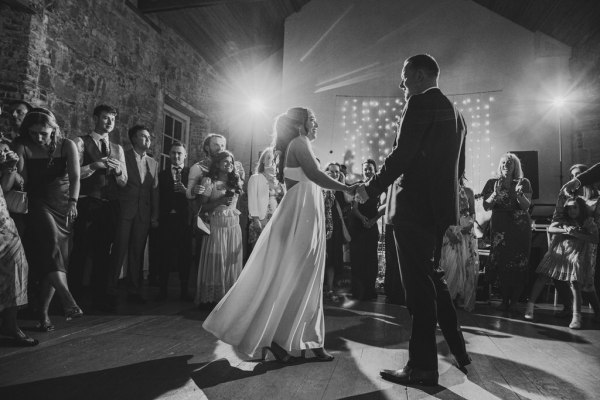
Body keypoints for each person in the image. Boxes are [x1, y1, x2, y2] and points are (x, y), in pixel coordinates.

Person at [203, 107, 354, 362]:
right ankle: (283, 339)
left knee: (307, 277)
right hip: (301, 214)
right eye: (312, 120)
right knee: (299, 276)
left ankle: (305, 340)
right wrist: (348, 187)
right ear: (299, 125)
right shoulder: (299, 142)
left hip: (306, 212)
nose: (316, 124)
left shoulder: (296, 144)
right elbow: (316, 176)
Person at [355, 54, 469, 386]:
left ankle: (422, 368)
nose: (402, 85)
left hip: (412, 210)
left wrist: (371, 189)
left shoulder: (419, 103)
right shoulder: (454, 111)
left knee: (418, 292)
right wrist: (448, 210)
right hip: (437, 212)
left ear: (419, 76)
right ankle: (460, 350)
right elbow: (458, 168)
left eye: (404, 78)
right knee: (434, 281)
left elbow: (402, 154)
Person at [15, 108, 82, 330]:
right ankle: (67, 299)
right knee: (51, 244)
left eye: (44, 133)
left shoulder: (67, 145)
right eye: (34, 133)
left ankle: (43, 314)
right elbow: (23, 182)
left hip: (64, 205)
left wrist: (73, 202)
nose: (39, 137)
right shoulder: (23, 145)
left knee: (58, 258)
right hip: (38, 203)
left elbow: (75, 176)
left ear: (54, 129)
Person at [69, 104, 127, 312]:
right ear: (95, 118)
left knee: (104, 252)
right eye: (105, 118)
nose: (109, 122)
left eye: (112, 119)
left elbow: (123, 182)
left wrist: (118, 171)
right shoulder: (80, 142)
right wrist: (94, 166)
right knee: (81, 250)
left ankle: (99, 298)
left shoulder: (118, 149)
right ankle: (72, 299)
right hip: (87, 202)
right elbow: (71, 174)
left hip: (109, 205)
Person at [525, 196, 599, 328]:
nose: (572, 211)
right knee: (543, 275)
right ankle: (530, 307)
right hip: (560, 251)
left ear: (581, 208)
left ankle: (577, 316)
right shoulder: (563, 219)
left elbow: (595, 238)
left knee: (575, 282)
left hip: (577, 254)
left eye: (575, 207)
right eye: (569, 208)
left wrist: (576, 234)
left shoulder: (588, 221)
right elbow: (552, 228)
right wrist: (566, 229)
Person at [109, 125, 159, 305]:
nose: (147, 139)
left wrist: (154, 215)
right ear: (134, 139)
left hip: (143, 214)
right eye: (143, 136)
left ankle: (134, 290)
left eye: (148, 137)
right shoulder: (124, 156)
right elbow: (116, 183)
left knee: (137, 252)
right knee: (119, 250)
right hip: (125, 210)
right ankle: (110, 289)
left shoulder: (153, 162)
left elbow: (154, 191)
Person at [481, 153, 532, 312]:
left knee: (518, 263)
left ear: (515, 166)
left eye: (509, 163)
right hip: (500, 228)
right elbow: (486, 206)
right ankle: (504, 300)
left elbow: (526, 207)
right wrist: (495, 194)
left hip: (519, 228)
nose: (505, 165)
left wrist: (519, 195)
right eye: (503, 162)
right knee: (501, 263)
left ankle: (515, 301)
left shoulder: (523, 182)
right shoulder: (492, 183)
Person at [0, 140, 37, 346]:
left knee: (17, 264)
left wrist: (9, 168)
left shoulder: (2, 145)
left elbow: (4, 187)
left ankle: (10, 324)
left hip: (2, 215)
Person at [194, 150, 244, 306]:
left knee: (230, 261)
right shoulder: (209, 181)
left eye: (231, 162)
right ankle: (212, 298)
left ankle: (229, 297)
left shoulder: (236, 182)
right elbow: (203, 207)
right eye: (225, 162)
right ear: (217, 164)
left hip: (233, 225)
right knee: (217, 259)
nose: (229, 164)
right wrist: (221, 200)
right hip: (217, 225)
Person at [156, 142, 192, 301]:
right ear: (169, 154)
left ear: (185, 155)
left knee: (185, 255)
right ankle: (162, 290)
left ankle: (184, 290)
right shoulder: (161, 174)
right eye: (173, 153)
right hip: (166, 220)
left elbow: (196, 198)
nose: (176, 156)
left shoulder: (192, 174)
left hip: (185, 220)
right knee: (164, 255)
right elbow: (157, 198)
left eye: (179, 153)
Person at [439, 176, 479, 311]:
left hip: (466, 234)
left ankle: (460, 298)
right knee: (450, 265)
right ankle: (448, 298)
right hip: (449, 232)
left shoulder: (468, 191)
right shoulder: (442, 191)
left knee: (465, 265)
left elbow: (473, 213)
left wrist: (470, 225)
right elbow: (439, 215)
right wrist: (450, 234)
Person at [349, 159, 384, 301]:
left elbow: (383, 207)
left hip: (372, 225)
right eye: (365, 169)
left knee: (371, 260)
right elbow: (354, 208)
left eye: (370, 168)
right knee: (358, 259)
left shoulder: (380, 187)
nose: (368, 171)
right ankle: (358, 292)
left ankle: (369, 291)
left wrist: (373, 220)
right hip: (358, 225)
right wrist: (363, 219)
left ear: (375, 170)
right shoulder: (360, 187)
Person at [247, 147, 284, 253]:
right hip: (261, 219)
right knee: (259, 252)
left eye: (274, 159)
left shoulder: (278, 180)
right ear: (263, 160)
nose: (272, 161)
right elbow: (252, 200)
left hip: (276, 220)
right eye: (268, 158)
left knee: (272, 252)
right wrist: (255, 220)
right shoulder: (255, 178)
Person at [323, 162, 351, 300]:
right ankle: (320, 289)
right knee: (323, 258)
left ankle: (330, 289)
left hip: (336, 228)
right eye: (332, 171)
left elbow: (348, 200)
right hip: (323, 227)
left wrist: (343, 181)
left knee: (333, 260)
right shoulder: (321, 187)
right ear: (326, 172)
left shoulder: (340, 189)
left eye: (337, 172)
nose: (334, 174)